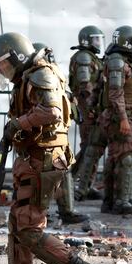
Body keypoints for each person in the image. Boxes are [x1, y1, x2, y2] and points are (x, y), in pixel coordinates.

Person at [0, 32, 107, 264]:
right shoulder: (26, 78)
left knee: (29, 229)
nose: (2, 70)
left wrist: (18, 124)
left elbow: (51, 111)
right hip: (31, 158)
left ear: (17, 56)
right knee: (18, 225)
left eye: (4, 64)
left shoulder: (40, 75)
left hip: (43, 160)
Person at [33, 42, 88, 225]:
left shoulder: (53, 77)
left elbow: (66, 101)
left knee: (63, 173)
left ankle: (66, 211)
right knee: (39, 175)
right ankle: (39, 213)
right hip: (43, 137)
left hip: (56, 135)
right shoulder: (36, 80)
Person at [98, 25, 132, 215]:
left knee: (115, 158)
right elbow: (115, 94)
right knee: (124, 159)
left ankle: (111, 200)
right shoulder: (117, 63)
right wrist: (124, 119)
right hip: (120, 119)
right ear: (127, 42)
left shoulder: (124, 63)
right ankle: (122, 201)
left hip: (128, 118)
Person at [69, 25, 105, 201]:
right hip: (87, 110)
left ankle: (85, 185)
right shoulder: (84, 58)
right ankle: (69, 182)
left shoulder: (92, 57)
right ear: (86, 40)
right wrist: (90, 110)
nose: (99, 42)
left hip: (91, 109)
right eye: (96, 39)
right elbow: (85, 87)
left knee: (91, 149)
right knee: (88, 149)